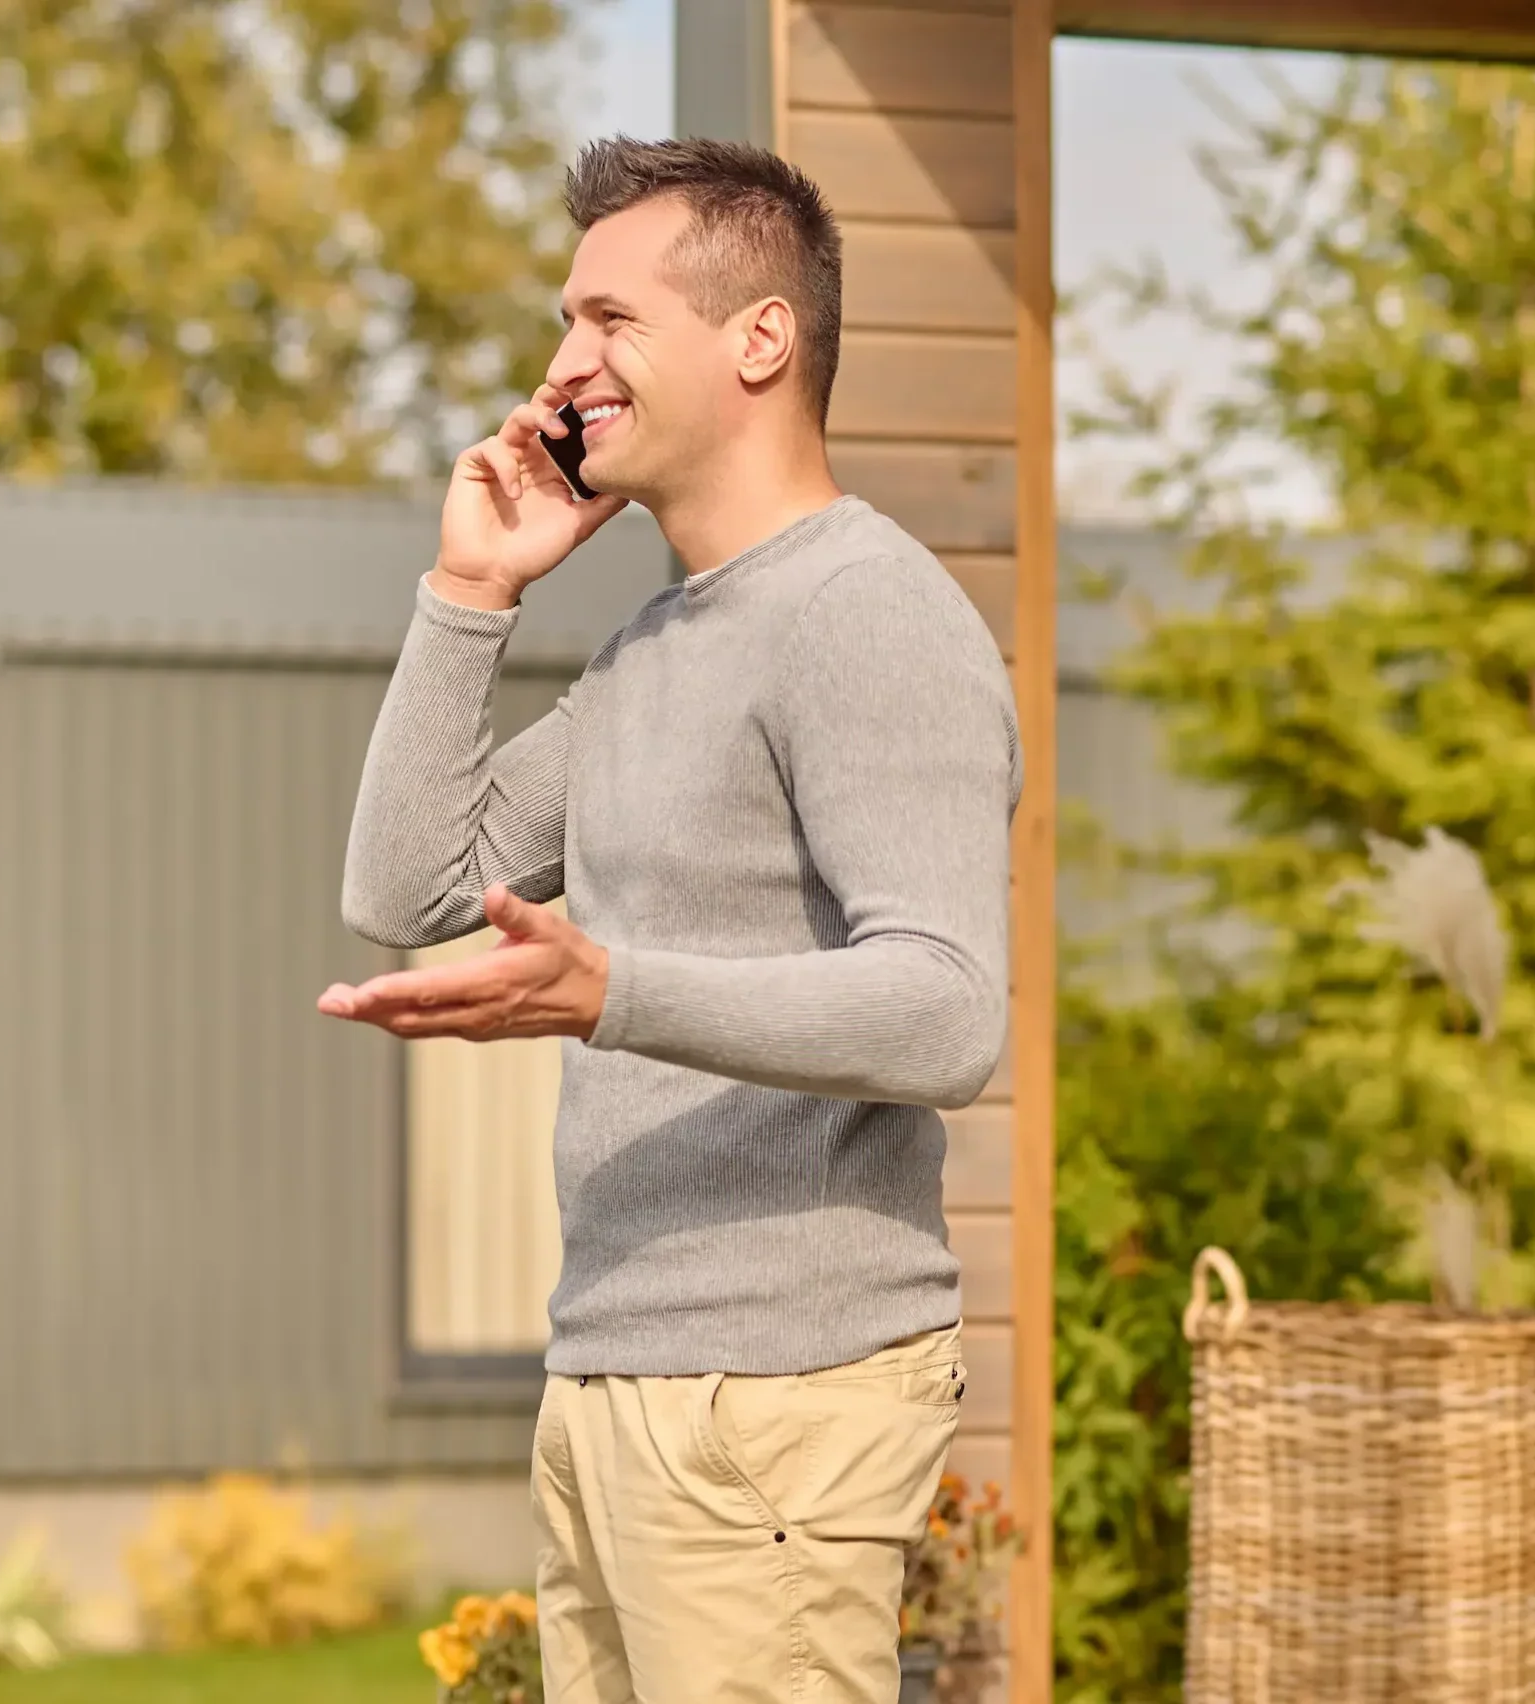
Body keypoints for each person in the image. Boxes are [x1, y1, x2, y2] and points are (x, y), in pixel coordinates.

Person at [320, 134, 1022, 1704]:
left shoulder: (868, 616)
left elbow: (945, 1010)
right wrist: (471, 592)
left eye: (610, 321)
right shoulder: (657, 649)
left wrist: (611, 991)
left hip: (772, 1400)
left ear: (759, 339)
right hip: (615, 1377)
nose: (565, 367)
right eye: (569, 325)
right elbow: (405, 886)